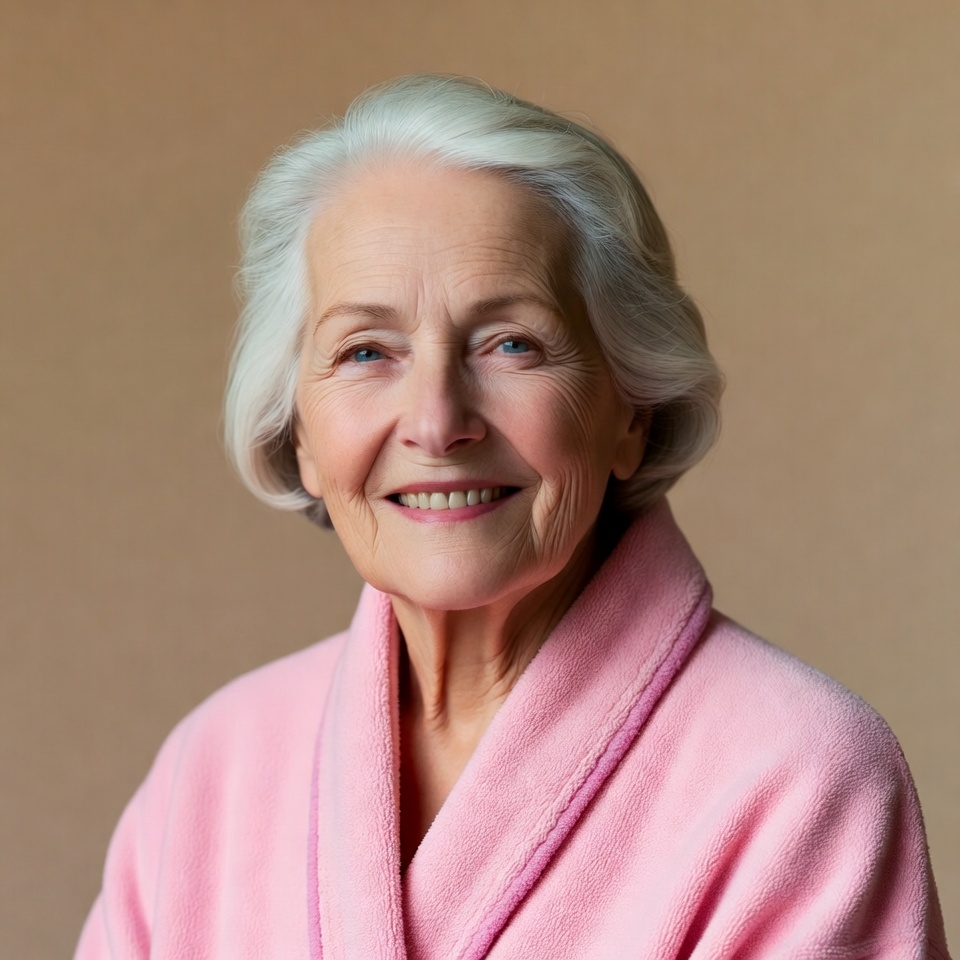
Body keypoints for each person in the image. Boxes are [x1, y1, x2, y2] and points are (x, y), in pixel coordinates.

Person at [74, 75, 950, 959]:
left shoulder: (797, 773)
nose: (436, 422)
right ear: (298, 430)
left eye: (511, 344)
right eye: (366, 350)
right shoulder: (213, 770)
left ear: (630, 412)